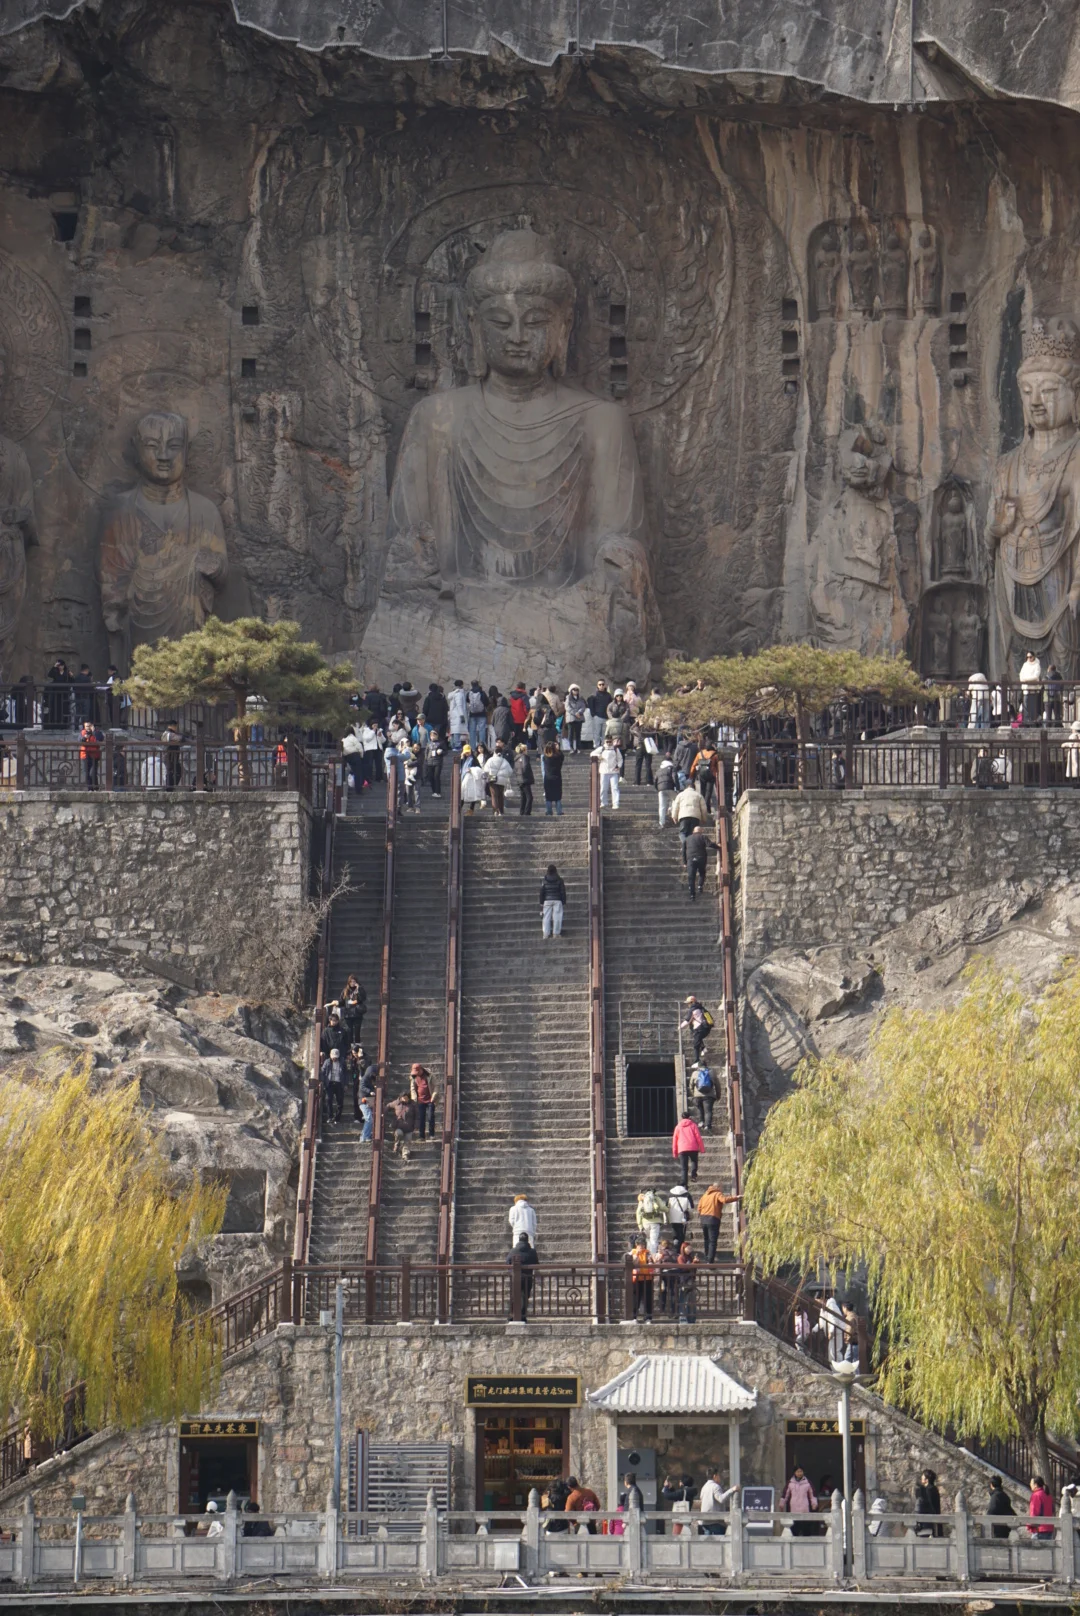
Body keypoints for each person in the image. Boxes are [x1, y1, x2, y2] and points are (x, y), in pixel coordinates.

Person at [696, 1183, 739, 1263]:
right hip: (713, 1218)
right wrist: (736, 1198)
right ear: (718, 1187)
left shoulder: (705, 1195)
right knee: (712, 1241)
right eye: (721, 1187)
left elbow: (699, 1207)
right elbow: (724, 1200)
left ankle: (707, 1257)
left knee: (706, 1240)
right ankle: (710, 1261)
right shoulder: (717, 1193)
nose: (722, 1189)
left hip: (703, 1219)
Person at [671, 780, 708, 862]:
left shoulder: (680, 795)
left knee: (682, 833)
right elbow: (704, 808)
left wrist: (674, 816)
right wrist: (704, 818)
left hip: (683, 816)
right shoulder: (698, 795)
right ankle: (690, 845)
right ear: (693, 786)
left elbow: (675, 806)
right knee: (692, 833)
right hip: (695, 816)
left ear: (686, 786)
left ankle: (686, 843)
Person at [507, 1231, 539, 1321]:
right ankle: (523, 1315)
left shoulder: (513, 1251)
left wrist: (510, 1270)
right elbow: (536, 1263)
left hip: (515, 1277)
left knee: (514, 1295)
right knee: (525, 1296)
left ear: (519, 1240)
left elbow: (508, 1261)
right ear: (527, 1240)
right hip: (528, 1277)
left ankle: (513, 1315)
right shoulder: (532, 1252)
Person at [781, 1467, 818, 1536]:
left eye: (801, 1471)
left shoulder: (807, 1483)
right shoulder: (790, 1483)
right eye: (797, 1471)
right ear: (795, 1472)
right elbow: (785, 1494)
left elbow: (812, 1494)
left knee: (806, 1529)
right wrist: (782, 1503)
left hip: (805, 1508)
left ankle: (806, 1543)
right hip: (794, 1508)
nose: (799, 1473)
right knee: (795, 1529)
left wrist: (814, 1504)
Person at [672, 1111, 705, 1188]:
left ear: (682, 1118)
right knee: (694, 1161)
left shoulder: (678, 1127)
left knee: (684, 1167)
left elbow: (675, 1140)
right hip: (693, 1147)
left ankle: (684, 1183)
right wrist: (702, 1149)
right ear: (689, 1117)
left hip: (682, 1149)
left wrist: (675, 1152)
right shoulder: (693, 1125)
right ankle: (693, 1175)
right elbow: (698, 1137)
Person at [684, 825, 716, 901]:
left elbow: (683, 851)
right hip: (701, 858)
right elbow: (710, 844)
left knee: (691, 877)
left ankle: (692, 895)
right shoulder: (703, 837)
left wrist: (685, 862)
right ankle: (700, 886)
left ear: (693, 831)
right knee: (702, 872)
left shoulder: (687, 839)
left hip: (690, 859)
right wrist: (718, 846)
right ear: (701, 831)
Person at [698, 1466, 732, 1535]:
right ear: (715, 1476)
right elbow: (721, 1499)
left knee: (708, 1544)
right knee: (719, 1545)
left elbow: (701, 1500)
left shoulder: (704, 1487)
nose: (719, 1477)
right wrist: (732, 1490)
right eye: (718, 1475)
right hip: (715, 1523)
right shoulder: (715, 1486)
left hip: (704, 1522)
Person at [681, 997, 714, 1063]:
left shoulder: (692, 1009)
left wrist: (680, 1027)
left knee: (696, 1045)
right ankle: (703, 1049)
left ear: (692, 1002)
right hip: (706, 1028)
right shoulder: (700, 1007)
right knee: (697, 1039)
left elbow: (687, 1020)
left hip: (699, 1029)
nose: (688, 1005)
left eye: (688, 1003)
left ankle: (696, 1061)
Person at [635, 1188, 667, 1255]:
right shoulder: (655, 1198)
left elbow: (638, 1212)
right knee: (654, 1240)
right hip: (655, 1222)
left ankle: (647, 1255)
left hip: (645, 1222)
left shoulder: (642, 1199)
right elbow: (663, 1207)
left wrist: (640, 1225)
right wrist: (668, 1209)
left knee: (648, 1240)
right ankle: (652, 1257)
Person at [484, 743, 513, 816]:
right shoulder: (504, 761)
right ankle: (501, 811)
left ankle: (495, 811)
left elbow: (485, 770)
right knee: (500, 796)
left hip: (492, 779)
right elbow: (510, 771)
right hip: (502, 781)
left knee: (494, 795)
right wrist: (504, 776)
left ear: (494, 752)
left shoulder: (490, 760)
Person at [540, 863, 566, 938]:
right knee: (557, 917)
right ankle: (556, 933)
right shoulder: (560, 880)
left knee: (546, 917)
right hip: (558, 900)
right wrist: (563, 901)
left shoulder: (544, 880)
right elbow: (562, 891)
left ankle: (546, 933)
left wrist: (541, 902)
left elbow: (542, 892)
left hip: (547, 900)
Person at [410, 1063, 435, 1140]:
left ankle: (432, 1134)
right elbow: (413, 1088)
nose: (416, 1074)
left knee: (430, 1117)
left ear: (421, 1069)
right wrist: (414, 1099)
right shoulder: (413, 1077)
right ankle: (421, 1136)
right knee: (421, 1118)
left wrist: (434, 1096)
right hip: (420, 1100)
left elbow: (435, 1086)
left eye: (417, 1072)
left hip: (430, 1099)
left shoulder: (429, 1075)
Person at [986, 1475, 1016, 1540]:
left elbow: (991, 1512)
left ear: (991, 1485)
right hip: (1005, 1528)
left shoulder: (995, 1496)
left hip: (998, 1529)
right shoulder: (1005, 1496)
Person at [320, 1047, 345, 1125]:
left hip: (339, 1083)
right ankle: (330, 1116)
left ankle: (337, 1118)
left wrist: (346, 1084)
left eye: (336, 1057)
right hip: (330, 1083)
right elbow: (322, 1072)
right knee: (328, 1099)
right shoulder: (327, 1062)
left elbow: (346, 1073)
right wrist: (324, 1082)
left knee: (340, 1101)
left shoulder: (342, 1062)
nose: (334, 1059)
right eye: (333, 1057)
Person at [630, 1239, 654, 1321]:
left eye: (643, 1244)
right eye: (639, 1244)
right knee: (635, 1297)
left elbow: (651, 1262)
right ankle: (633, 1316)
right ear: (636, 1244)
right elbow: (631, 1262)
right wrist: (636, 1254)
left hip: (647, 1278)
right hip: (636, 1278)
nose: (641, 1246)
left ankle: (648, 1317)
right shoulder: (632, 1252)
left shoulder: (647, 1252)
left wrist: (651, 1261)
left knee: (648, 1298)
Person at [914, 1469, 942, 1537]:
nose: (921, 1477)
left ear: (927, 1479)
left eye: (922, 1476)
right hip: (931, 1521)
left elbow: (928, 1506)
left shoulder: (929, 1490)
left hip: (927, 1522)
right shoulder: (933, 1489)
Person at [597, 738, 622, 809]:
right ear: (605, 742)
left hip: (613, 771)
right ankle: (603, 802)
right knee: (603, 788)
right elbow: (592, 753)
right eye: (607, 742)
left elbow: (620, 759)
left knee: (615, 788)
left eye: (610, 742)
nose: (608, 743)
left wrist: (619, 766)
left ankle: (615, 803)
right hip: (604, 771)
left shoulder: (615, 749)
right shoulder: (602, 748)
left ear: (612, 741)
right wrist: (598, 756)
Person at [341, 976, 366, 1044]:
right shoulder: (345, 990)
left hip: (357, 1013)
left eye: (354, 981)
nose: (352, 983)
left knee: (357, 1031)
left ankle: (357, 1046)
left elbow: (362, 999)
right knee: (349, 1031)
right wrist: (337, 1003)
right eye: (351, 981)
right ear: (348, 982)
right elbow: (342, 1001)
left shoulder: (360, 989)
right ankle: (350, 1047)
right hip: (348, 1014)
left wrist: (358, 989)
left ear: (356, 982)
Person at [692, 1061, 717, 1131]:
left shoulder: (694, 1073)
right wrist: (718, 1095)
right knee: (708, 1111)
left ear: (698, 1066)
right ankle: (707, 1126)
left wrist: (693, 1094)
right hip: (709, 1095)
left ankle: (701, 1122)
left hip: (697, 1096)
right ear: (706, 1065)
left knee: (700, 1109)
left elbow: (691, 1085)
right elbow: (717, 1084)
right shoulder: (711, 1072)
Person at [655, 750, 677, 829]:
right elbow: (675, 778)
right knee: (675, 800)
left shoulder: (659, 770)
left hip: (661, 789)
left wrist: (657, 789)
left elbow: (655, 781)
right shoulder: (672, 768)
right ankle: (673, 816)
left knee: (662, 806)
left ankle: (661, 822)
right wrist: (677, 787)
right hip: (670, 787)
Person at [656, 1237, 678, 1314]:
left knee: (663, 1291)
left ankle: (662, 1308)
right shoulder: (674, 1252)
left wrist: (659, 1274)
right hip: (673, 1272)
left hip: (664, 1273)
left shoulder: (660, 1253)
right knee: (672, 1291)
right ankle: (673, 1309)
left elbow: (658, 1264)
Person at [667, 1181, 692, 1249]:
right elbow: (690, 1207)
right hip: (682, 1217)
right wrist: (690, 1216)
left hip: (672, 1216)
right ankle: (680, 1248)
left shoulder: (670, 1194)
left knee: (675, 1231)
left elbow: (667, 1206)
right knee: (681, 1232)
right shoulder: (687, 1194)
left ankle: (675, 1243)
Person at [79, 720, 102, 790]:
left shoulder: (97, 733)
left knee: (93, 773)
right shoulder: (82, 733)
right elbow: (80, 741)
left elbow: (100, 739)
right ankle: (90, 789)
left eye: (89, 726)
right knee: (86, 774)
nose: (88, 728)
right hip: (85, 756)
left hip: (94, 756)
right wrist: (85, 737)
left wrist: (94, 731)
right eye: (86, 726)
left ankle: (96, 788)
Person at [542, 741, 564, 815]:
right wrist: (558, 749)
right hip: (557, 778)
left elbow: (547, 753)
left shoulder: (545, 757)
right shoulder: (557, 757)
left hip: (547, 778)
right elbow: (562, 757)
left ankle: (549, 811)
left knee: (548, 796)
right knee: (558, 796)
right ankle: (559, 811)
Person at [513, 744, 534, 815]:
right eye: (526, 749)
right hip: (525, 779)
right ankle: (527, 812)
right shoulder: (524, 757)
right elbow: (525, 767)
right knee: (529, 797)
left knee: (523, 797)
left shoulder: (516, 758)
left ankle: (521, 812)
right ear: (524, 750)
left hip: (520, 779)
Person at [466, 680, 487, 753]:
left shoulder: (469, 693)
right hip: (482, 714)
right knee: (482, 730)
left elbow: (467, 701)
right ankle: (482, 747)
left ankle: (472, 748)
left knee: (472, 731)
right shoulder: (482, 692)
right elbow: (486, 702)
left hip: (472, 714)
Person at [424, 729, 445, 797]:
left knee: (436, 776)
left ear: (437, 736)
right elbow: (426, 752)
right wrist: (426, 759)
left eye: (434, 735)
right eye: (431, 735)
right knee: (430, 777)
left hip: (437, 762)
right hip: (430, 762)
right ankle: (434, 791)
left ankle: (438, 792)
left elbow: (445, 751)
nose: (432, 737)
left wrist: (441, 752)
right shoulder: (428, 743)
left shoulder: (441, 742)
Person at [565, 684, 587, 751]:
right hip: (571, 718)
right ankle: (571, 747)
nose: (576, 691)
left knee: (578, 733)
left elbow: (583, 706)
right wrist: (575, 713)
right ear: (571, 690)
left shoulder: (581, 698)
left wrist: (579, 712)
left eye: (577, 690)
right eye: (574, 689)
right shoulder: (568, 698)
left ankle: (578, 748)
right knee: (570, 734)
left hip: (579, 718)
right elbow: (567, 707)